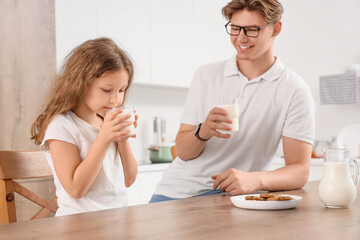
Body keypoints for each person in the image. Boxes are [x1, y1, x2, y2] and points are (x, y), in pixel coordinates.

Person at [150, 0, 315, 202]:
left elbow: (299, 170)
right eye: (235, 28)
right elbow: (183, 152)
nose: (241, 38)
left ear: (276, 28)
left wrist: (254, 180)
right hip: (176, 192)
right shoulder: (206, 75)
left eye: (252, 30)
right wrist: (203, 132)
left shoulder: (294, 90)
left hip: (235, 197)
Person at [31, 38, 138, 216]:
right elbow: (76, 189)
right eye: (106, 90)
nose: (115, 100)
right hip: (79, 225)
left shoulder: (107, 121)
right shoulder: (62, 126)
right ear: (80, 83)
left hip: (116, 222)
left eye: (121, 90)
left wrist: (122, 139)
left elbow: (129, 179)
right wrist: (103, 138)